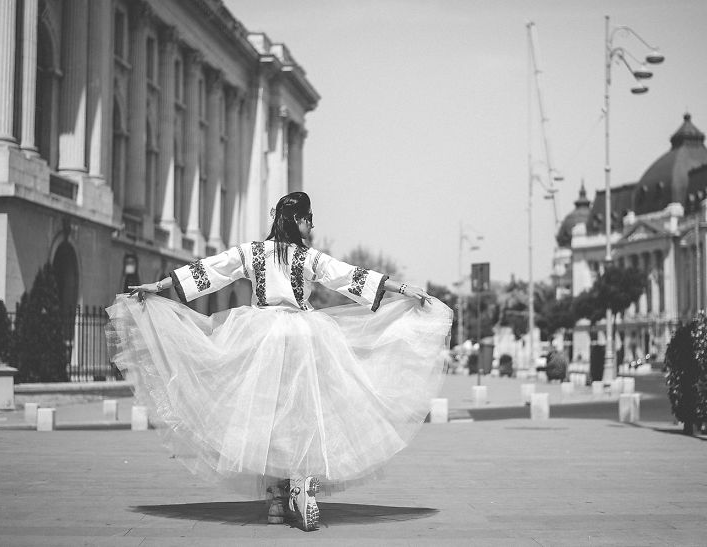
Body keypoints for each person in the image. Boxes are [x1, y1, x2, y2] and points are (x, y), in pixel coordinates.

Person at [106, 192, 453, 532]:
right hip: (304, 336)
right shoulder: (308, 257)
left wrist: (159, 285)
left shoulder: (251, 251)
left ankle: (275, 498)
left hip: (261, 337)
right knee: (302, 413)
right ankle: (299, 484)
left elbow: (208, 270)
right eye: (309, 219)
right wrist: (403, 289)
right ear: (299, 219)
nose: (311, 226)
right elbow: (351, 276)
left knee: (266, 416)